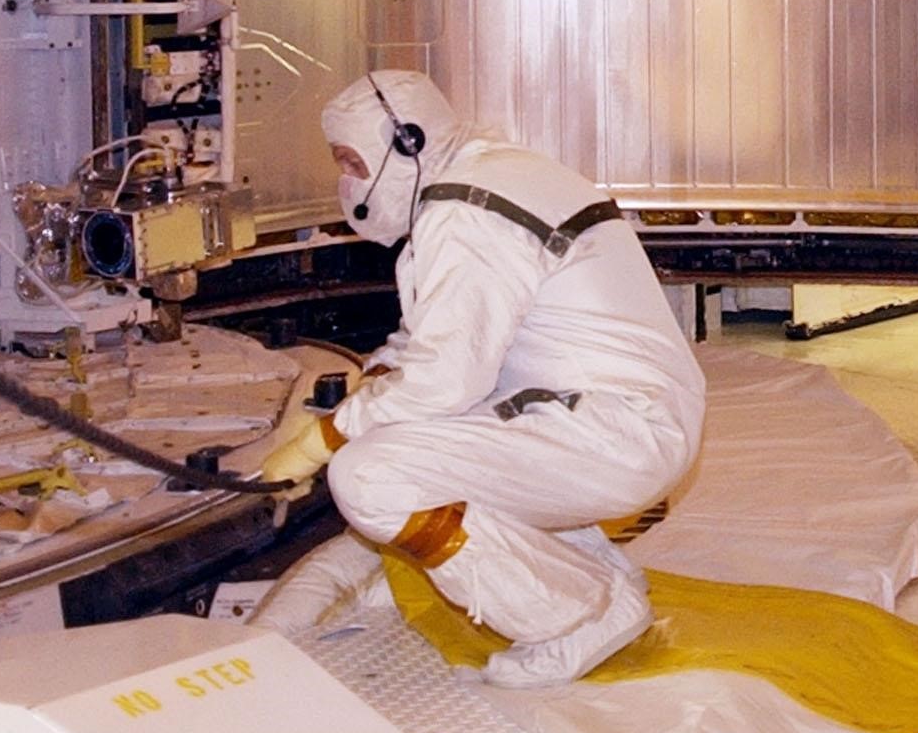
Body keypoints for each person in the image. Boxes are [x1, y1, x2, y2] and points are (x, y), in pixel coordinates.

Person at [253, 71, 706, 686]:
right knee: (420, 439)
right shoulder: (485, 179)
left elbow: (445, 378)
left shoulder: (465, 213)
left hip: (614, 432)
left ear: (405, 143)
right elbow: (433, 337)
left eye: (353, 162)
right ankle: (599, 579)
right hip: (617, 418)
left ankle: (572, 617)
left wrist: (326, 437)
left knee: (371, 475)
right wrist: (374, 389)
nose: (349, 184)